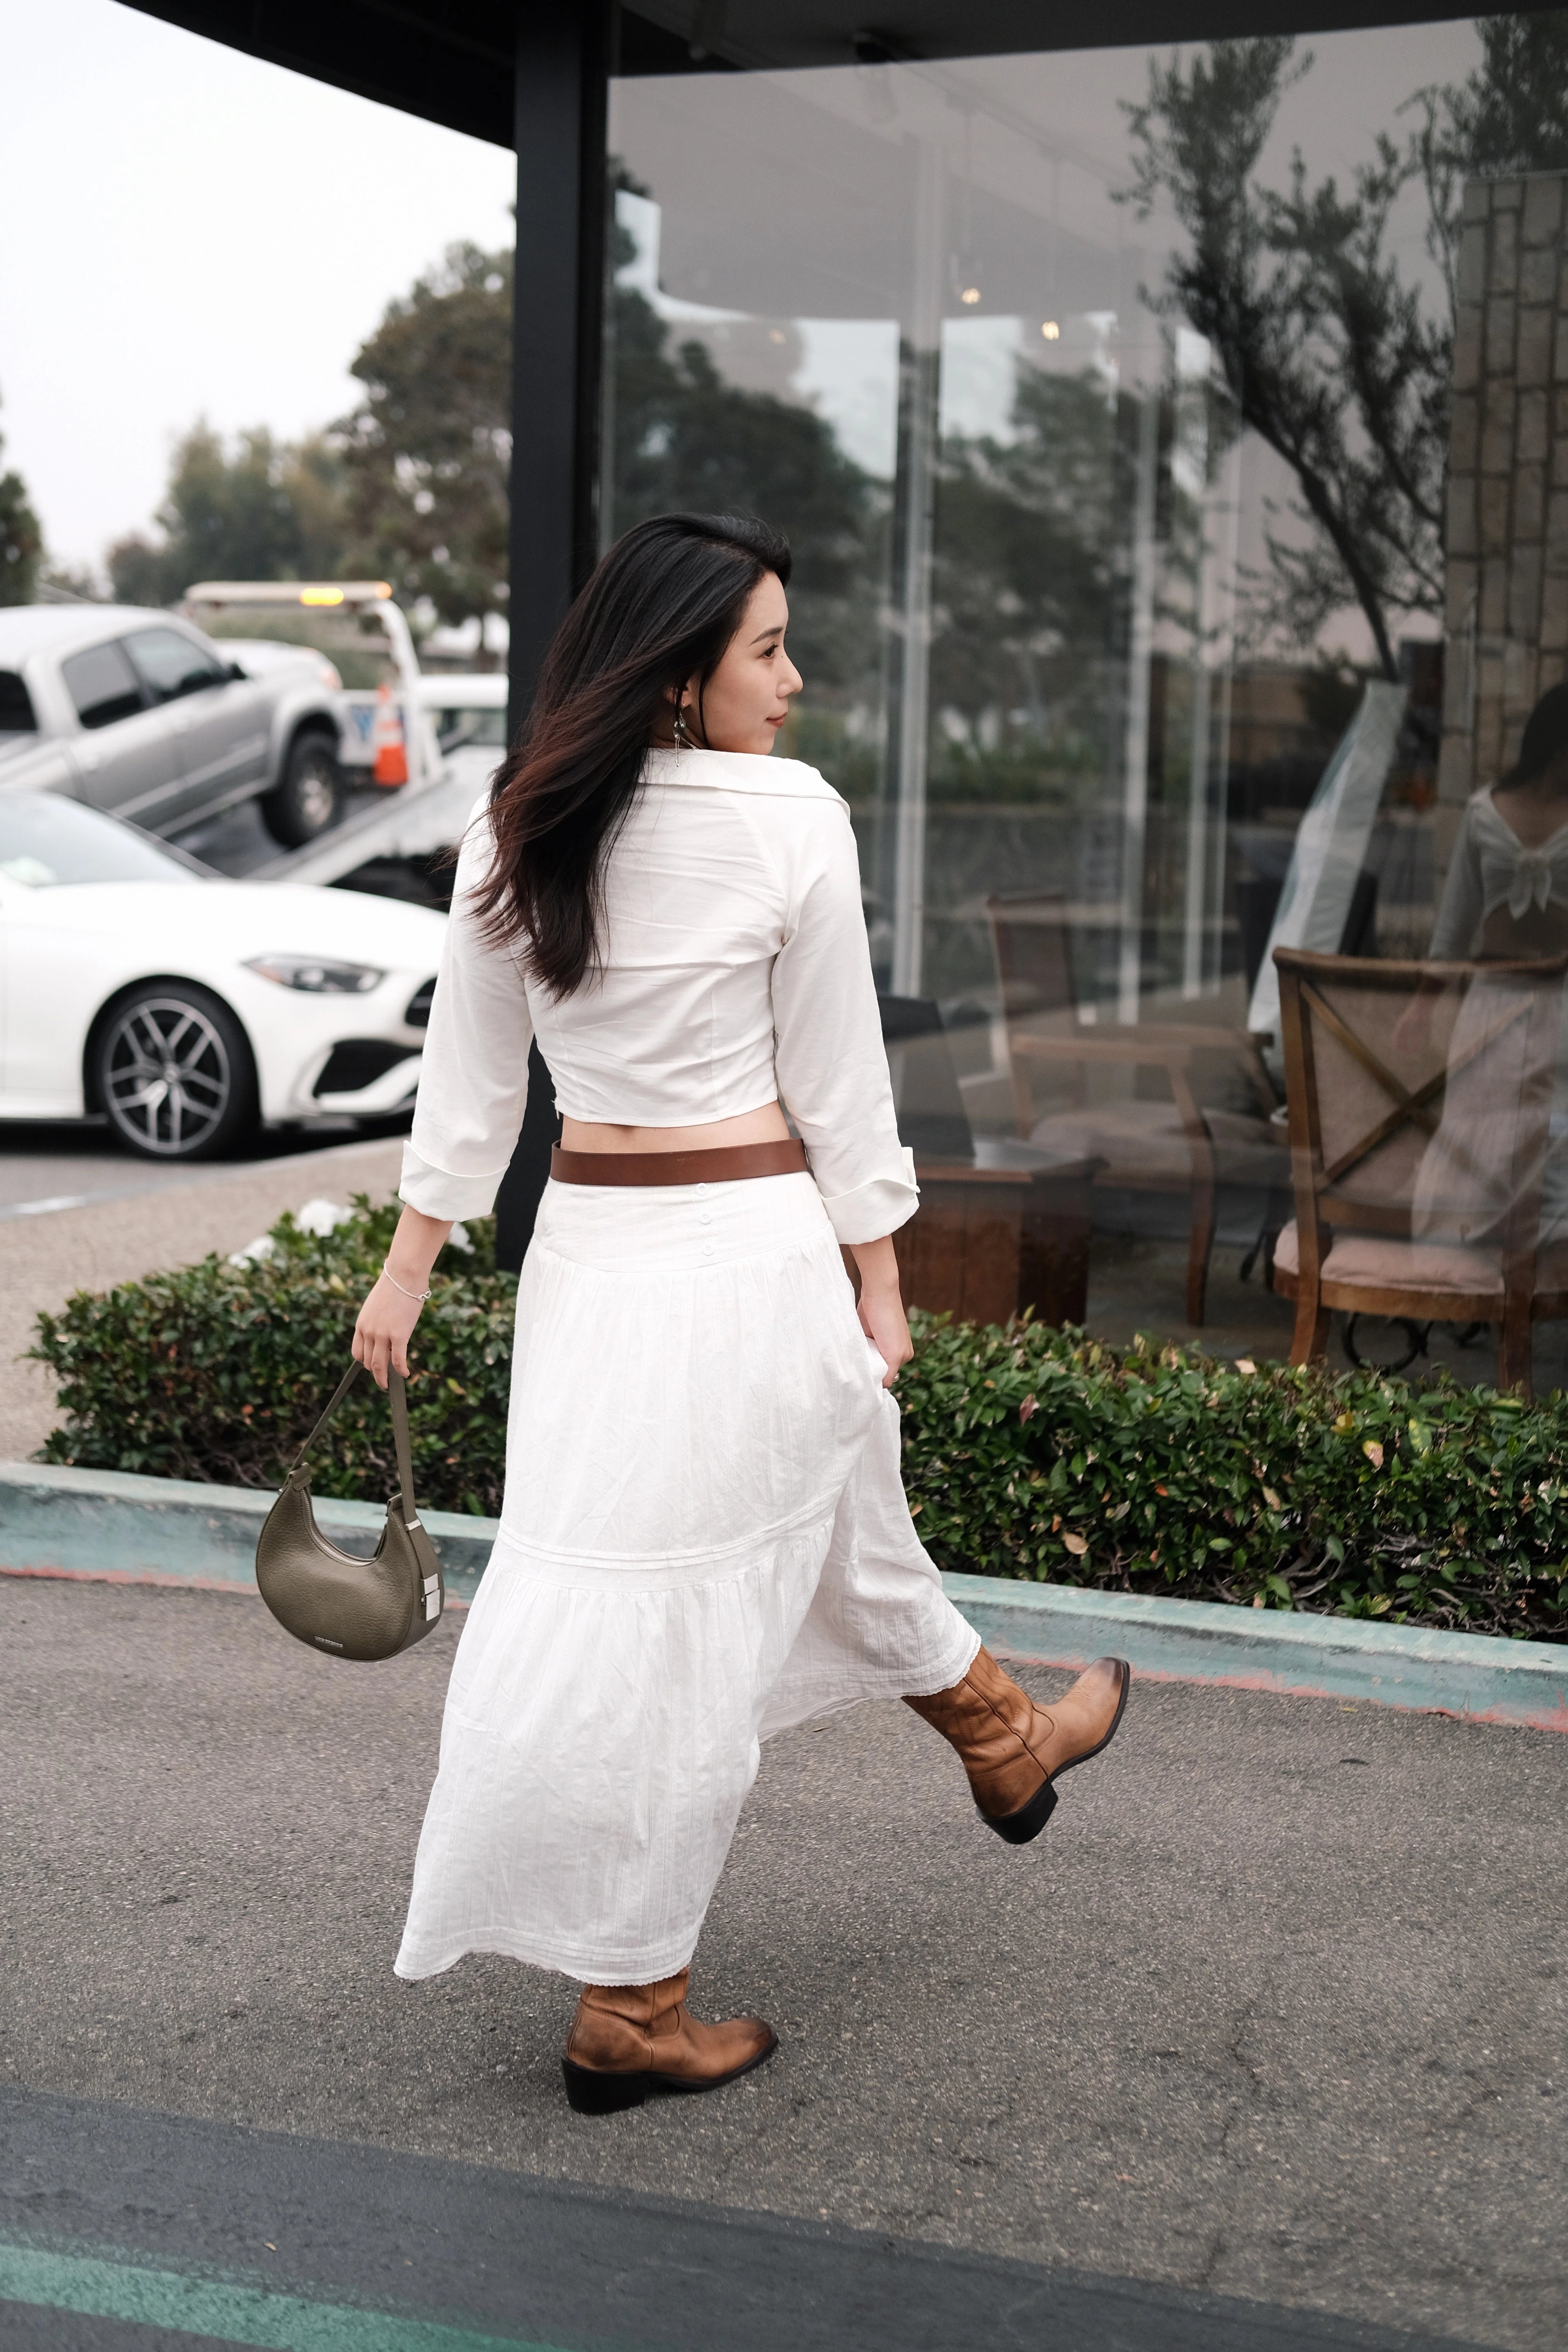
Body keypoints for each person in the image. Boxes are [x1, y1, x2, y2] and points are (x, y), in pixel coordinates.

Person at [352, 512, 1130, 2116]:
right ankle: (633, 2003)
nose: (795, 680)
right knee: (685, 1625)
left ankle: (1002, 1734)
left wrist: (410, 1268)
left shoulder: (521, 829)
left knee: (823, 1519)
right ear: (673, 678)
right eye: (767, 649)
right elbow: (840, 1078)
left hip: (592, 1265)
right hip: (749, 1254)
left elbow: (474, 1088)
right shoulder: (788, 818)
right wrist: (882, 1273)